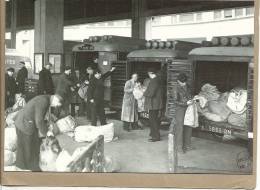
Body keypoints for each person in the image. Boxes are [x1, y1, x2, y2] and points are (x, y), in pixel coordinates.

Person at [14, 94, 63, 171]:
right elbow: (39, 121)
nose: (56, 106)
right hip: (24, 123)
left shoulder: (46, 99)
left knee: (30, 145)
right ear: (55, 99)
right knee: (28, 147)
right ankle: (30, 168)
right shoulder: (43, 101)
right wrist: (47, 132)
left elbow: (40, 116)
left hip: (25, 121)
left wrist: (47, 126)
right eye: (57, 104)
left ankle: (24, 166)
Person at [172, 73, 193, 153]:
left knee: (188, 126)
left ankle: (187, 145)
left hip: (188, 108)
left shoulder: (187, 86)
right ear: (179, 81)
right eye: (183, 83)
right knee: (179, 127)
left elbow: (189, 95)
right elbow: (175, 101)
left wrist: (192, 99)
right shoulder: (175, 88)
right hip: (180, 109)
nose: (184, 84)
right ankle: (179, 147)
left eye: (185, 82)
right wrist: (185, 103)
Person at [143, 68, 162, 142]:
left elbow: (151, 93)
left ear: (150, 73)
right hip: (156, 104)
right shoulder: (157, 80)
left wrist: (144, 93)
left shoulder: (154, 81)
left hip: (153, 104)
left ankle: (156, 137)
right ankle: (153, 133)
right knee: (154, 119)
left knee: (152, 120)